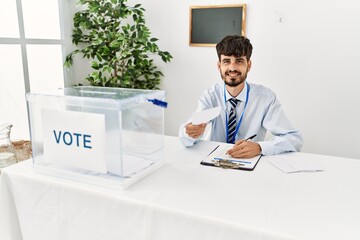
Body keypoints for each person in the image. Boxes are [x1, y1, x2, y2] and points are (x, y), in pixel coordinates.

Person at [179, 35, 303, 158]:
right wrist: (190, 133)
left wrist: (260, 147)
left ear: (248, 65)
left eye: (239, 61)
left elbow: (294, 139)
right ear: (219, 66)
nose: (232, 68)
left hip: (249, 163)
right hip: (214, 160)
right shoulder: (211, 96)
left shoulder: (265, 98)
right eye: (226, 61)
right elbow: (186, 138)